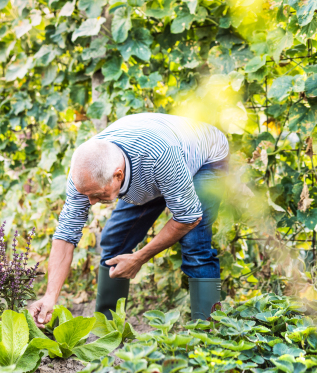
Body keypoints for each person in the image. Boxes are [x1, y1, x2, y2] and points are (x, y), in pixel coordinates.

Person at [28, 113, 229, 326]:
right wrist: (50, 296)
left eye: (97, 195)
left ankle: (209, 335)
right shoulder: (85, 174)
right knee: (115, 239)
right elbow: (66, 235)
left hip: (204, 157)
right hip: (150, 166)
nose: (91, 202)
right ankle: (108, 329)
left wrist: (139, 258)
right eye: (87, 195)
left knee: (194, 245)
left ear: (118, 176)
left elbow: (189, 218)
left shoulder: (159, 156)